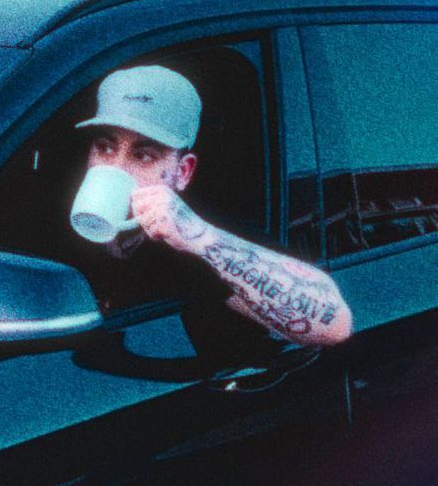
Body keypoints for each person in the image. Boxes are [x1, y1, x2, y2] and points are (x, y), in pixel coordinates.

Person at [71, 65, 352, 347]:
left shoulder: (198, 248)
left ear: (183, 172)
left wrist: (195, 236)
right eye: (105, 148)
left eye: (144, 156)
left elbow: (335, 325)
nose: (117, 167)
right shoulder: (62, 226)